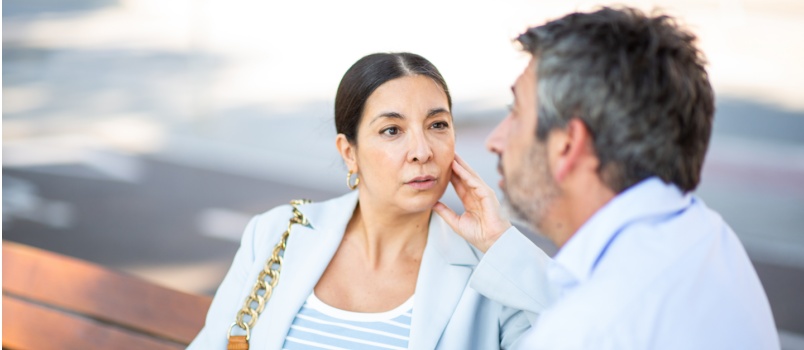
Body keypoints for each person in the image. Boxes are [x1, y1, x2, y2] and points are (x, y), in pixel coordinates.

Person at [441, 6, 779, 349]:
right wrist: (501, 245)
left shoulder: (587, 333)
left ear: (567, 146)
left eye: (515, 112)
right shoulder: (708, 236)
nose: (495, 140)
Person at [188, 52, 553, 349]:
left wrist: (501, 244)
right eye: (392, 130)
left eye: (437, 125)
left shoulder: (493, 272)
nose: (422, 151)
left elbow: (593, 335)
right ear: (350, 152)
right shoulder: (276, 233)